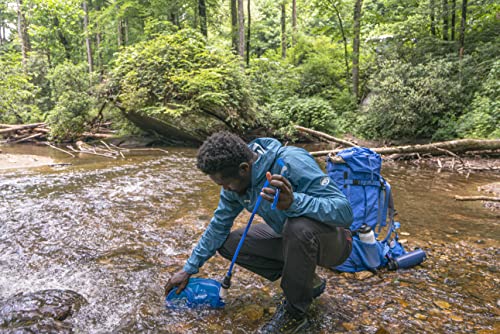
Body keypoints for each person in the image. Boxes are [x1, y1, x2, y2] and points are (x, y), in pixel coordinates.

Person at [164, 132, 353, 333]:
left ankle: (295, 314)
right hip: (292, 239)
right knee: (229, 242)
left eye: (225, 184)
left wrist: (294, 202)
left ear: (244, 169)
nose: (225, 189)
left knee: (298, 227)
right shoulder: (234, 184)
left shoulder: (291, 161)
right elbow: (218, 226)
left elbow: (344, 212)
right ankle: (306, 282)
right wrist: (189, 268)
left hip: (335, 243)